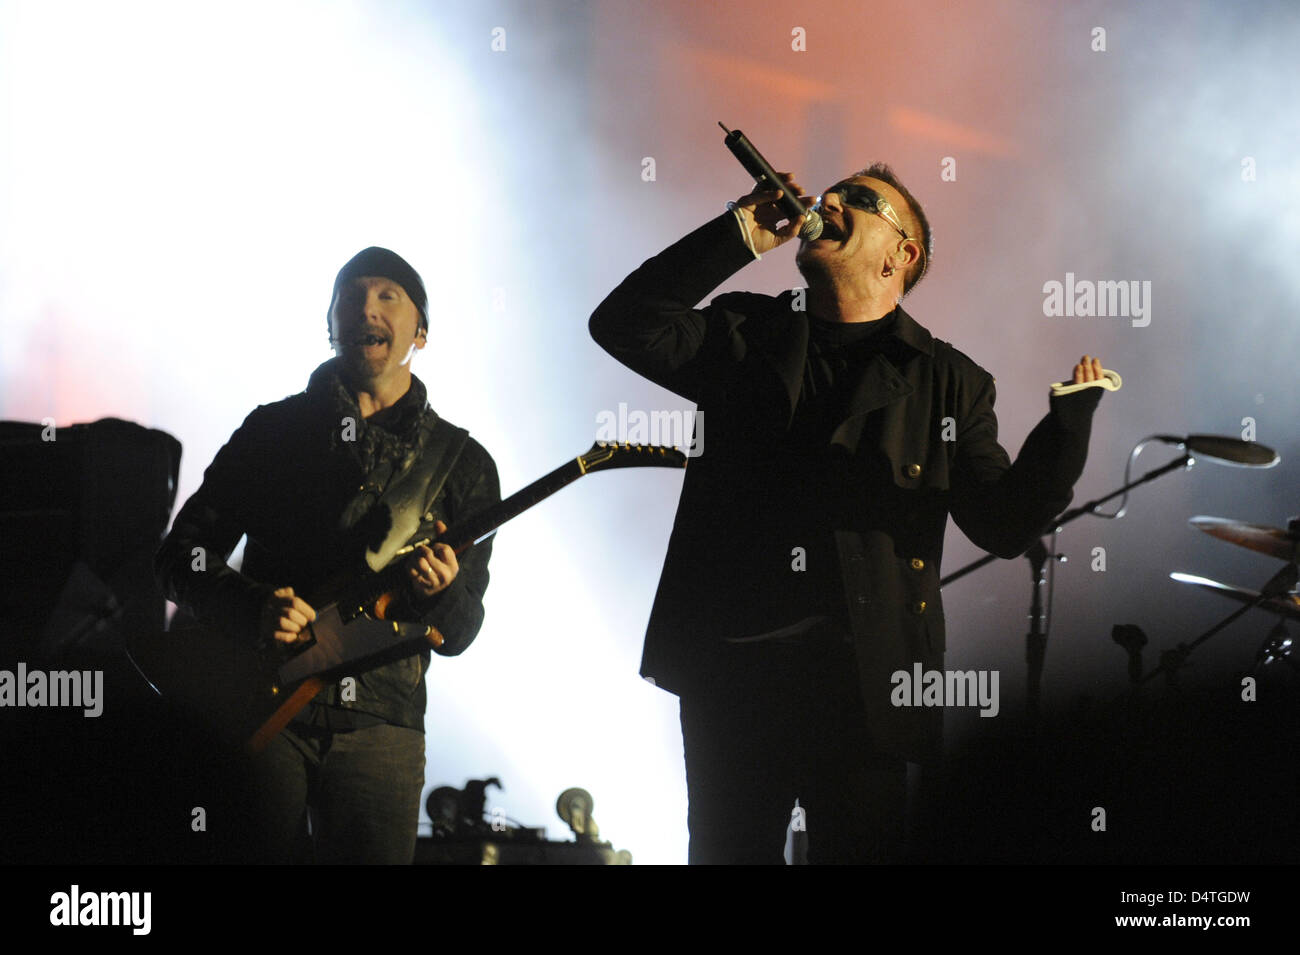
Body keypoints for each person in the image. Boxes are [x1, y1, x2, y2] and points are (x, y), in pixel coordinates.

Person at [589, 163, 1107, 864]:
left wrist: (1066, 429)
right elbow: (624, 323)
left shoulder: (949, 382)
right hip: (735, 673)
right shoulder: (747, 331)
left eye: (860, 201)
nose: (829, 200)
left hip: (867, 688)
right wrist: (738, 232)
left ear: (903, 254)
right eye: (834, 192)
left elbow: (1003, 524)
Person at [156, 247, 498, 863]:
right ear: (331, 324)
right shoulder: (271, 432)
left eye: (388, 295)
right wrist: (253, 605)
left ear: (421, 332)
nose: (366, 306)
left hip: (383, 727)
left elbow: (465, 629)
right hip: (261, 706)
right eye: (351, 295)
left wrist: (444, 592)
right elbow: (181, 558)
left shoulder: (464, 465)